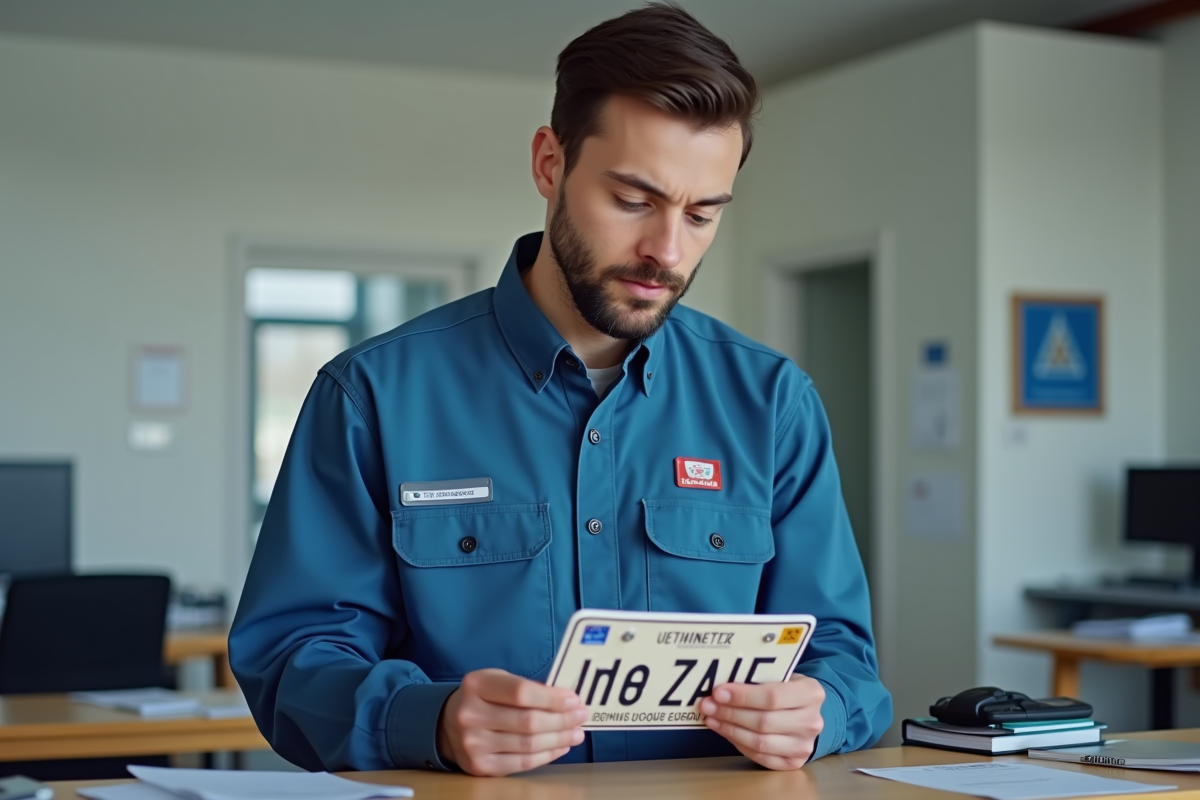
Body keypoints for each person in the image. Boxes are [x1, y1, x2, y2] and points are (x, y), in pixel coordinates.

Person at [230, 2, 892, 778]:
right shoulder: (370, 396)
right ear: (550, 164)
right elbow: (291, 656)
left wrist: (819, 710)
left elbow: (844, 659)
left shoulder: (774, 403)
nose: (667, 250)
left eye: (702, 213)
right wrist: (429, 721)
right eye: (634, 200)